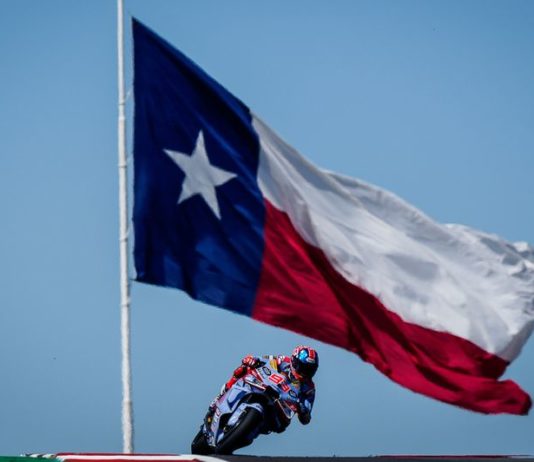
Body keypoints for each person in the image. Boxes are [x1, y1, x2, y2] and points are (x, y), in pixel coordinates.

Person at [205, 345, 318, 426]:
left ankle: (249, 428)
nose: (305, 372)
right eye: (303, 367)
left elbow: (306, 419)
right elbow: (263, 359)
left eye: (309, 370)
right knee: (242, 370)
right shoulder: (283, 360)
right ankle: (218, 399)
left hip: (280, 410)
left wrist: (302, 410)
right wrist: (252, 359)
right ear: (294, 361)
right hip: (264, 386)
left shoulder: (309, 388)